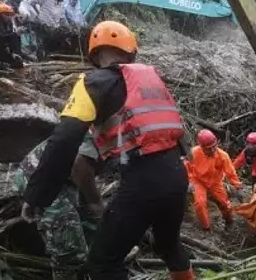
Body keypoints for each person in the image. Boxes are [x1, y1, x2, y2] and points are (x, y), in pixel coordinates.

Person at [20, 20, 194, 280]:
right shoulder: (152, 82)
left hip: (143, 182)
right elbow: (178, 134)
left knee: (103, 263)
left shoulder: (92, 83)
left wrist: (37, 196)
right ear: (131, 51)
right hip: (177, 176)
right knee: (168, 245)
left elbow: (64, 140)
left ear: (95, 54)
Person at [14, 133, 104, 280]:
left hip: (64, 176)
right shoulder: (100, 130)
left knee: (89, 220)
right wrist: (96, 201)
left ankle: (94, 260)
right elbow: (79, 166)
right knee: (68, 245)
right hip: (40, 180)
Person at [185, 129, 244, 231]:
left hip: (215, 182)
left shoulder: (223, 156)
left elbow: (231, 172)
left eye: (214, 147)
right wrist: (187, 181)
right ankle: (206, 227)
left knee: (224, 203)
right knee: (200, 203)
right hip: (198, 180)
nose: (212, 150)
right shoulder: (194, 153)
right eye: (208, 148)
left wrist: (238, 187)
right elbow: (185, 167)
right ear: (201, 147)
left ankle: (229, 221)